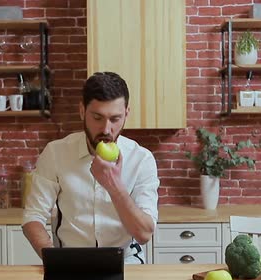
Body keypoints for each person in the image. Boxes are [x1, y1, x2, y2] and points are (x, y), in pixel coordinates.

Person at [22, 72, 160, 264]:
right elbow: (33, 217)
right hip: (69, 262)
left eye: (115, 119)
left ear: (126, 113)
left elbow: (144, 233)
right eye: (97, 117)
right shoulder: (55, 153)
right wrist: (54, 261)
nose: (106, 129)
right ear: (82, 111)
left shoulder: (142, 159)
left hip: (128, 263)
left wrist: (113, 185)